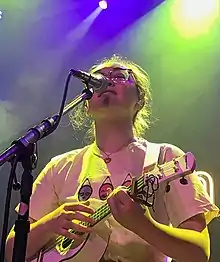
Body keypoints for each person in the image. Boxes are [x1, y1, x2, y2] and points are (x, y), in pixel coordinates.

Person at [6, 55, 219, 262]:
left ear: (139, 99)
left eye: (119, 76)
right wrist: (49, 224)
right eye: (98, 77)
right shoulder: (60, 167)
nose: (106, 81)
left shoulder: (167, 158)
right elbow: (10, 252)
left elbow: (199, 253)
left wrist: (143, 225)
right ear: (86, 104)